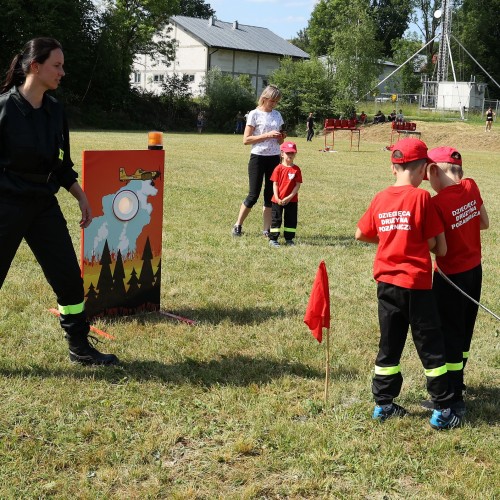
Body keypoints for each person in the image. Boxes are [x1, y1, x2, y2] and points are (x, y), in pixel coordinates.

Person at [0, 37, 118, 365]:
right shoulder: (5, 108)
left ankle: (79, 346)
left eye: (62, 65)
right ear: (34, 67)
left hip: (43, 206)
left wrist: (81, 197)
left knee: (68, 278)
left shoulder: (55, 111)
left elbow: (61, 163)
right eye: (57, 65)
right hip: (6, 205)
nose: (62, 72)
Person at [355, 138, 460, 430]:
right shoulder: (422, 198)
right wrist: (413, 239)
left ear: (393, 168)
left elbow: (360, 234)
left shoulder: (380, 197)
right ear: (425, 169)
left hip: (386, 284)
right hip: (416, 286)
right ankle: (442, 409)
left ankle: (383, 404)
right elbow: (439, 249)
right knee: (431, 346)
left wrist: (392, 238)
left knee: (389, 344)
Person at [423, 146, 489, 417]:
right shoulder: (471, 187)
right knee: (463, 332)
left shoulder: (435, 204)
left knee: (447, 334)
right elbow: (484, 222)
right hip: (475, 272)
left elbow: (440, 250)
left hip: (450, 279)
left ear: (436, 171)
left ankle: (453, 398)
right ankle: (457, 380)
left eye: (428, 174)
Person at [232, 85, 285, 237]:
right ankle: (238, 225)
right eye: (272, 100)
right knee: (253, 194)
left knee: (270, 195)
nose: (274, 104)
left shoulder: (277, 115)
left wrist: (281, 137)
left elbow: (280, 142)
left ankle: (266, 230)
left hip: (274, 158)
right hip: (258, 157)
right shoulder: (254, 114)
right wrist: (267, 135)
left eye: (277, 102)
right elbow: (246, 140)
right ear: (264, 98)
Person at [268, 142, 302, 247]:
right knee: (276, 219)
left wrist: (289, 197)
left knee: (291, 220)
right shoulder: (278, 168)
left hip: (291, 200)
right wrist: (277, 198)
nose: (290, 155)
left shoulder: (296, 169)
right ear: (282, 154)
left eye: (292, 153)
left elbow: (297, 185)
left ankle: (289, 238)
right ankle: (273, 239)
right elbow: (275, 184)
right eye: (288, 153)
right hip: (277, 200)